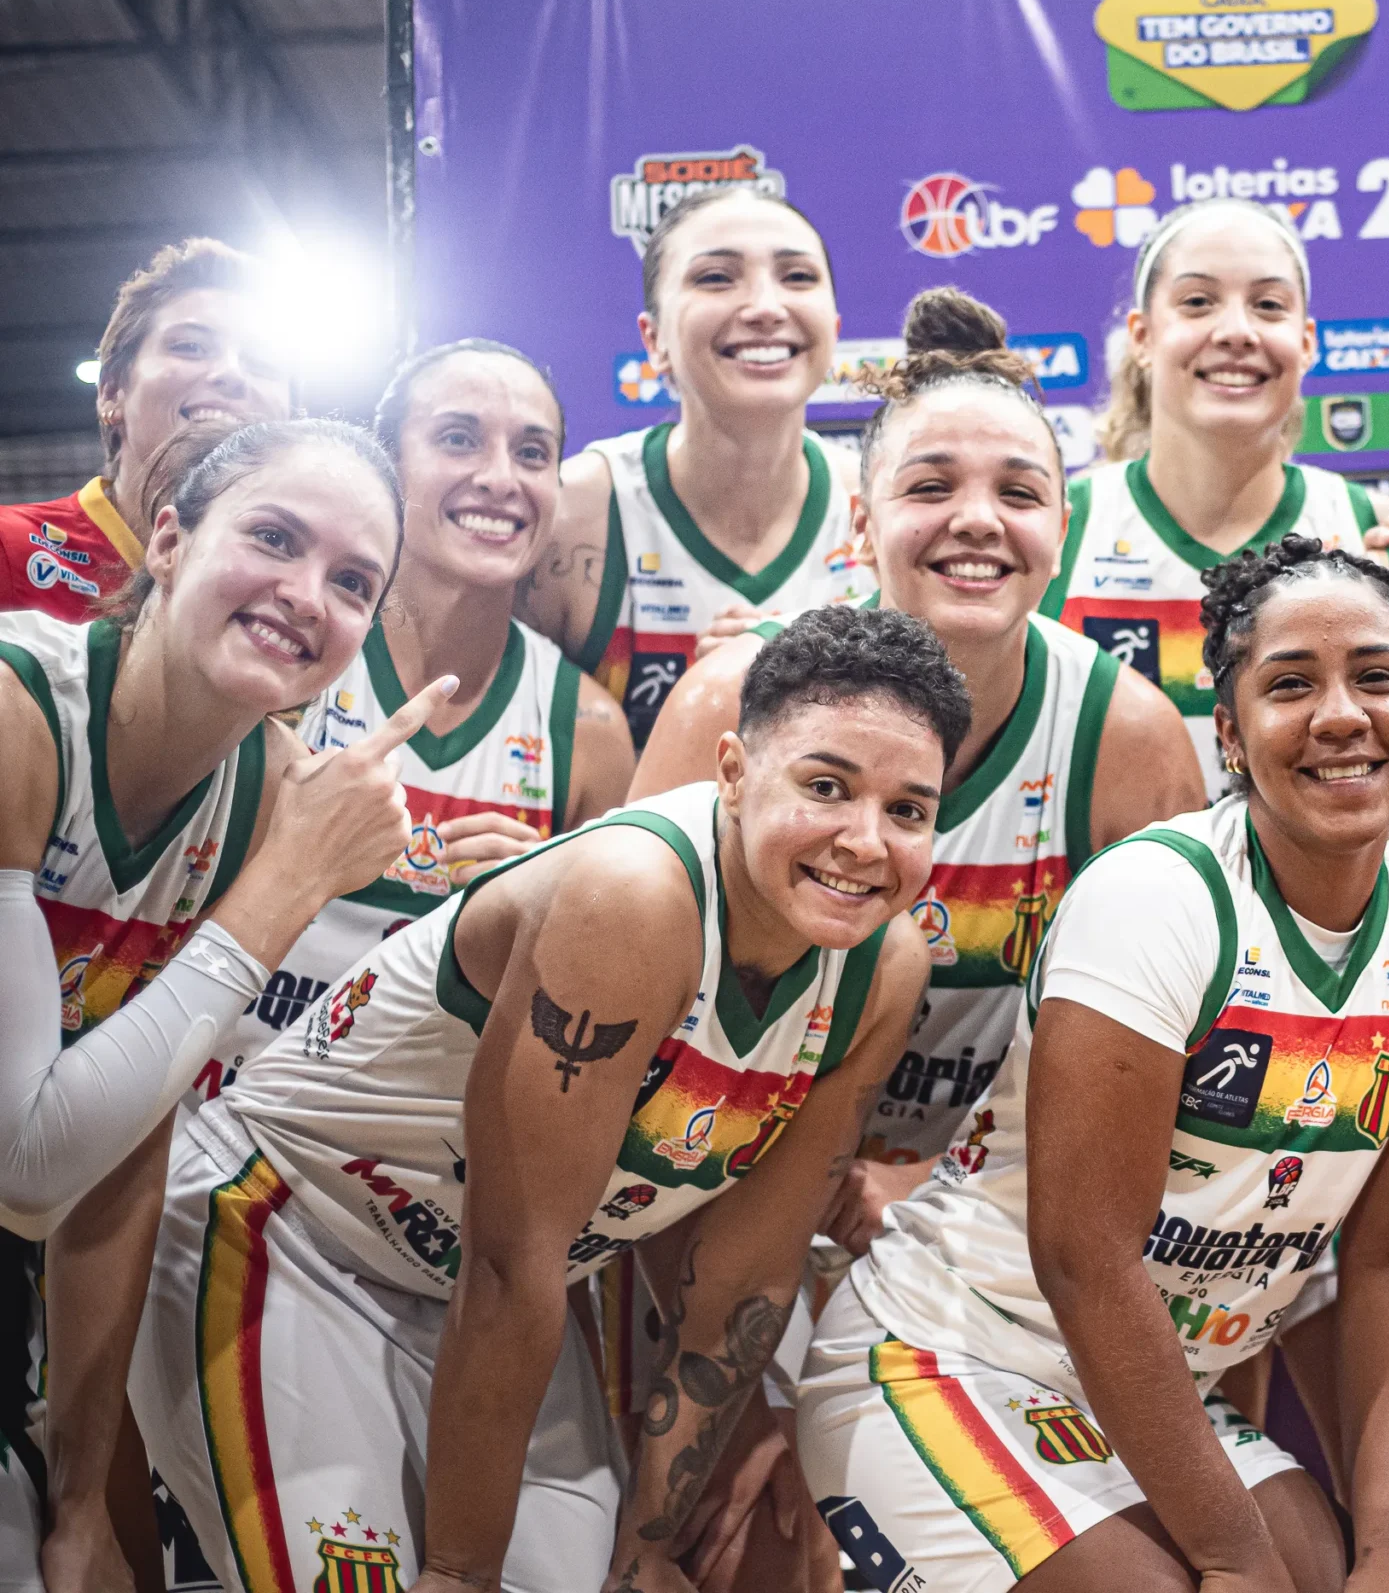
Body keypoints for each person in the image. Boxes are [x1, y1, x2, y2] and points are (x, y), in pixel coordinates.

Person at [128, 606, 944, 1593]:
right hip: (295, 1234)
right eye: (826, 786)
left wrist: (648, 1539)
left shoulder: (886, 966)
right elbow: (514, 1258)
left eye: (908, 809)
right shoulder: (636, 893)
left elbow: (742, 1282)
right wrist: (460, 1570)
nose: (866, 841)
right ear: (732, 771)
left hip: (487, 1295)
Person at [797, 536, 1389, 1593]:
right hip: (951, 1353)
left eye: (1375, 677)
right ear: (1229, 732)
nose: (1341, 715)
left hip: (1135, 1384)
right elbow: (1087, 1259)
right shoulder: (1156, 899)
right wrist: (1230, 1552)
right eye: (1290, 685)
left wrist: (1388, 1538)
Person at [1, 419, 440, 1591]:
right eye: (273, 537)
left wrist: (85, 1498)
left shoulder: (259, 794)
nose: (307, 595)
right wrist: (289, 883)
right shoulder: (15, 715)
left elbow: (124, 1144)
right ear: (167, 539)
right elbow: (30, 1164)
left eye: (352, 581)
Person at [632, 287, 1202, 1167]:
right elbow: (632, 994)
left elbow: (1159, 1055)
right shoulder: (731, 698)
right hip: (710, 1170)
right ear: (863, 525)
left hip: (994, 1205)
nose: (977, 519)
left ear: (1062, 526)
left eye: (1019, 491)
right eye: (931, 486)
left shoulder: (1129, 736)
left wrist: (949, 1189)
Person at [199, 339, 636, 1097]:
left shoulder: (590, 729)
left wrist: (540, 926)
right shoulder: (284, 650)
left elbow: (589, 1020)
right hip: (215, 1122)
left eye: (532, 452)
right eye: (459, 438)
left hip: (413, 1172)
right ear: (390, 465)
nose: (500, 478)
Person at [1043, 198, 1389, 786]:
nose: (1236, 331)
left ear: (1307, 343)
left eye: (1268, 306)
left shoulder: (1379, 535)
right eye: (1198, 302)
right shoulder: (1058, 533)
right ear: (1142, 335)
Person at [520, 185, 866, 750]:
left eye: (798, 277)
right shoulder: (574, 513)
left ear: (833, 323)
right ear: (653, 340)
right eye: (716, 278)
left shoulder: (886, 509)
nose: (765, 307)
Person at [1, 238, 292, 620]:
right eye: (191, 346)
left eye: (262, 362)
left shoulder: (303, 602)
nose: (232, 374)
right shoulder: (11, 550)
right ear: (111, 392)